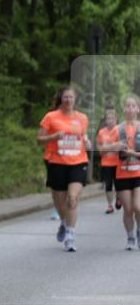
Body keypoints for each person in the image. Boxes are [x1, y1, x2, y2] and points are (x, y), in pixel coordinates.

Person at [37, 87, 91, 252]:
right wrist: (53, 137)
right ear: (61, 99)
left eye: (71, 97)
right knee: (60, 202)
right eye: (65, 97)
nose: (68, 100)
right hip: (57, 162)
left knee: (72, 198)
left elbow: (84, 136)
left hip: (78, 161)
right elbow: (39, 140)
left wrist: (87, 142)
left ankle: (70, 236)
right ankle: (63, 222)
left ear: (75, 100)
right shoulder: (50, 117)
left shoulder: (82, 118)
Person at [111, 94, 140, 250]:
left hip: (139, 174)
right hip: (122, 174)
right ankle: (130, 238)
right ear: (124, 109)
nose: (130, 109)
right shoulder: (118, 129)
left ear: (138, 109)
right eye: (127, 106)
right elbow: (106, 150)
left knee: (138, 207)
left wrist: (132, 153)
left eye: (133, 106)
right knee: (128, 209)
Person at [95, 107, 121, 214]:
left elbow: (121, 146)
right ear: (105, 120)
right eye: (108, 119)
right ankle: (110, 205)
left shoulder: (120, 130)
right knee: (108, 184)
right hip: (106, 163)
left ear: (116, 120)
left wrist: (109, 147)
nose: (110, 121)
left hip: (118, 163)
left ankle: (118, 198)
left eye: (112, 119)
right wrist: (106, 148)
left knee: (118, 184)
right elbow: (99, 147)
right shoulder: (101, 132)